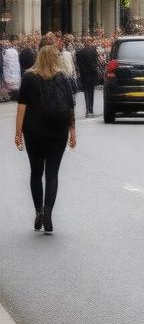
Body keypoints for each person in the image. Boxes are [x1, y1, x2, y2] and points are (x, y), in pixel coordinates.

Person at [13, 44, 76, 234]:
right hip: (57, 131)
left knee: (35, 173)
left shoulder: (29, 77)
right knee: (52, 174)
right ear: (56, 58)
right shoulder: (63, 78)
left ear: (38, 57)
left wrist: (18, 133)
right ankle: (48, 212)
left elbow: (21, 107)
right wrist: (73, 132)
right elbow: (70, 107)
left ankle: (38, 212)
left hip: (34, 131)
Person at [75, 37, 102, 118]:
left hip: (84, 75)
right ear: (89, 43)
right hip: (91, 75)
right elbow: (95, 65)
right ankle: (91, 110)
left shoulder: (79, 53)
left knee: (86, 92)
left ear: (84, 43)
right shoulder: (93, 52)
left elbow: (78, 65)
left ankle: (87, 110)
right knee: (91, 92)